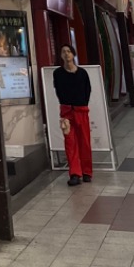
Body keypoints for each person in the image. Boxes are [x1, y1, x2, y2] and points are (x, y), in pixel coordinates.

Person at [53, 44, 92, 186]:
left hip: (81, 110)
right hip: (67, 112)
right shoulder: (57, 73)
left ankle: (87, 171)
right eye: (63, 52)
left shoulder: (82, 73)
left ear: (73, 54)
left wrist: (82, 104)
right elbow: (58, 90)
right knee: (70, 143)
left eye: (69, 51)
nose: (66, 54)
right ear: (61, 56)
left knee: (85, 142)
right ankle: (75, 173)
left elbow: (88, 90)